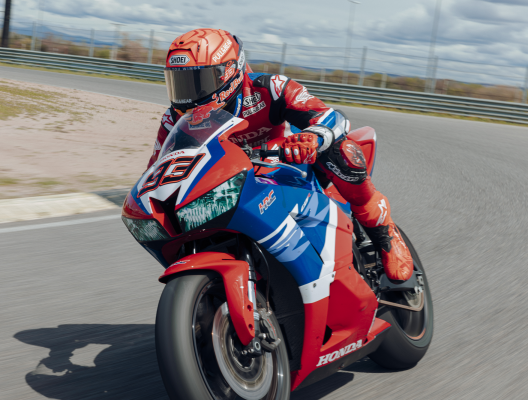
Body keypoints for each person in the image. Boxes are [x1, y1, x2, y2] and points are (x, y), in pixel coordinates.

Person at [147, 28, 413, 281]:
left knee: (342, 150)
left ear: (228, 73)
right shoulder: (174, 118)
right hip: (230, 181)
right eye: (179, 83)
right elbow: (159, 166)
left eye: (197, 82)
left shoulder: (269, 87)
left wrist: (313, 137)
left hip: (290, 165)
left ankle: (385, 233)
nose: (187, 96)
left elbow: (330, 117)